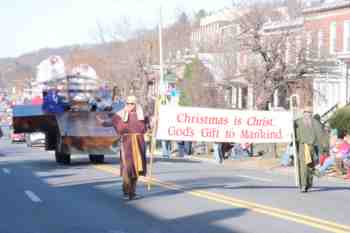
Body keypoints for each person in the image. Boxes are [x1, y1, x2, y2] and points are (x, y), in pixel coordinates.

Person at [97, 95, 147, 200]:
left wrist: (155, 121)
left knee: (137, 167)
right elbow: (111, 122)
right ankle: (126, 191)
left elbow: (148, 126)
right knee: (127, 168)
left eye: (132, 103)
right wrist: (103, 122)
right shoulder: (120, 114)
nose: (129, 105)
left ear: (136, 104)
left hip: (139, 143)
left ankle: (132, 192)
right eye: (128, 103)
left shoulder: (141, 114)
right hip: (126, 143)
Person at [294, 106, 327, 193]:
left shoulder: (316, 123)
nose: (307, 114)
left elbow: (320, 137)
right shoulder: (297, 122)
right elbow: (293, 134)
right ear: (303, 113)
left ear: (311, 114)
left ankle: (308, 183)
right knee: (303, 166)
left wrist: (323, 149)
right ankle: (304, 185)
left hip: (313, 147)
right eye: (305, 112)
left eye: (309, 112)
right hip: (302, 146)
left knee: (310, 165)